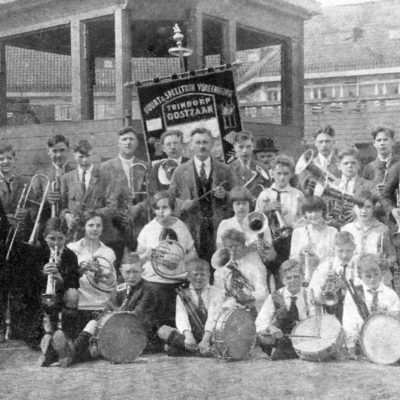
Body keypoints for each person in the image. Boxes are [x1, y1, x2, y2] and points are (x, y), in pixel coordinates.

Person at [49, 252, 163, 367]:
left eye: (135, 272)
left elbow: (136, 317)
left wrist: (112, 315)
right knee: (94, 327)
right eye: (128, 272)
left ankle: (63, 355)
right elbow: (107, 309)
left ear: (142, 271)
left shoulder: (148, 290)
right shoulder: (120, 288)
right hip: (121, 331)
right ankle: (66, 356)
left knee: (96, 347)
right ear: (121, 271)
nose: (132, 276)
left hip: (140, 335)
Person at [169, 127, 234, 263]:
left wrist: (226, 194)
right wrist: (182, 204)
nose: (201, 146)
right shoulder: (180, 171)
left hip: (218, 227)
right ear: (190, 145)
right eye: (197, 142)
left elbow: (237, 196)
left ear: (212, 144)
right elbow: (170, 199)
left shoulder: (225, 169)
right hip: (192, 228)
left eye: (205, 142)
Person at [136, 191, 196, 328]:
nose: (161, 212)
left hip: (176, 280)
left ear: (172, 208)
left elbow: (192, 254)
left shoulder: (180, 226)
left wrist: (178, 260)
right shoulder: (148, 228)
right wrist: (147, 256)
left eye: (165, 208)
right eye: (157, 208)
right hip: (154, 281)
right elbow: (137, 259)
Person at [0, 143, 34, 342]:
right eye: (1, 158)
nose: (5, 162)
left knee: (19, 284)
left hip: (19, 239)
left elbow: (34, 207)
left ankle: (18, 329)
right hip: (1, 240)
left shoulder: (25, 182)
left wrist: (26, 213)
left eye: (8, 158)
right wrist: (5, 219)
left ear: (14, 160)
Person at [35, 217, 80, 366]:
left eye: (60, 238)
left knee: (73, 294)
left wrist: (61, 279)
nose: (56, 243)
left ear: (66, 238)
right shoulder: (38, 253)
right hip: (42, 296)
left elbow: (75, 283)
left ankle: (65, 335)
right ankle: (48, 339)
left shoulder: (70, 255)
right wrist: (42, 272)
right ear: (44, 237)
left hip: (63, 295)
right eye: (51, 238)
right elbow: (29, 281)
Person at [67, 211, 117, 340]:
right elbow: (66, 279)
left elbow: (112, 283)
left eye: (98, 225)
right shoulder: (72, 249)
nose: (95, 229)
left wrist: (100, 273)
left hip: (101, 303)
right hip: (78, 304)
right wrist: (79, 271)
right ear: (83, 227)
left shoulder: (108, 252)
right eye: (91, 225)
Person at [157, 257, 223, 356]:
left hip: (211, 334)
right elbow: (181, 317)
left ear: (209, 275)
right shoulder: (182, 294)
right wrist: (188, 335)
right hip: (193, 335)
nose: (199, 278)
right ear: (188, 276)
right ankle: (203, 350)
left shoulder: (216, 293)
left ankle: (193, 349)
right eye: (195, 274)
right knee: (163, 330)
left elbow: (212, 317)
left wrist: (206, 339)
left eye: (203, 274)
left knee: (169, 348)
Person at [100, 126, 149, 257]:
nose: (128, 142)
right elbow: (101, 197)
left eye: (132, 139)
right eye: (124, 139)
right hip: (114, 227)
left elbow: (153, 194)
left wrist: (139, 207)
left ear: (137, 143)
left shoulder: (146, 166)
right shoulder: (106, 167)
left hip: (139, 224)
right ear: (118, 143)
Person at [255, 154, 304, 285]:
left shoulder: (298, 195)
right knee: (268, 279)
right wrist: (266, 210)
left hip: (289, 242)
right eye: (279, 173)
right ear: (272, 173)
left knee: (285, 277)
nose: (282, 177)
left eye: (286, 173)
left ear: (291, 174)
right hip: (269, 242)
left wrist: (291, 228)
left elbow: (303, 221)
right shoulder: (264, 195)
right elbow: (255, 222)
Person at [342, 253, 400, 358]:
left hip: (385, 345)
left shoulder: (391, 295)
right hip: (360, 345)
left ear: (382, 272)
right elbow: (348, 321)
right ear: (360, 276)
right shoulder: (354, 294)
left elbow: (396, 322)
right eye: (367, 276)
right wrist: (351, 347)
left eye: (376, 274)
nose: (372, 279)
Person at [256, 259, 315, 360]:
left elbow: (316, 321)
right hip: (281, 342)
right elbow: (260, 322)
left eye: (296, 276)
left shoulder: (309, 294)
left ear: (303, 277)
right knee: (265, 339)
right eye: (289, 278)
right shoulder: (274, 297)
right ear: (283, 280)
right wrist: (270, 328)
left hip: (305, 340)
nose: (293, 280)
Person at [60, 139, 117, 242]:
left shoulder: (106, 177)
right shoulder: (66, 178)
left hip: (100, 235)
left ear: (93, 155)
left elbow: (112, 207)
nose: (85, 160)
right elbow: (62, 206)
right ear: (74, 156)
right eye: (81, 157)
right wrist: (66, 215)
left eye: (88, 156)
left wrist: (93, 214)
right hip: (75, 236)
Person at [341, 190, 396, 287]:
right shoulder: (346, 229)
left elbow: (393, 256)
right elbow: (339, 257)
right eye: (360, 207)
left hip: (379, 281)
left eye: (368, 207)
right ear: (354, 208)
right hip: (355, 281)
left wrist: (386, 263)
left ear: (373, 208)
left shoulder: (383, 229)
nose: (363, 211)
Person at [309, 231, 360, 322]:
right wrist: (323, 285)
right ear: (333, 248)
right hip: (331, 315)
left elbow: (365, 294)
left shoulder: (360, 266)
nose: (344, 255)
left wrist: (347, 286)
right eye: (340, 251)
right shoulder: (324, 267)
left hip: (354, 314)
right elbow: (312, 296)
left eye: (348, 250)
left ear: (354, 248)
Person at [213, 229, 268, 313]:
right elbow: (218, 296)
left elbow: (263, 292)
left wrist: (248, 297)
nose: (233, 250)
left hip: (254, 308)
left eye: (237, 246)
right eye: (230, 247)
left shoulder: (253, 265)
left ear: (243, 246)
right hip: (230, 309)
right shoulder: (220, 271)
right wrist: (227, 290)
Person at [216, 186, 275, 263]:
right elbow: (221, 255)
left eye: (244, 203)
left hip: (257, 267)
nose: (241, 207)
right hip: (235, 268)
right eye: (237, 204)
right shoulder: (224, 224)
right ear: (232, 206)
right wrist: (249, 249)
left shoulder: (261, 223)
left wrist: (267, 253)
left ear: (249, 204)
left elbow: (272, 255)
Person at [290, 196, 337, 284]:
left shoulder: (333, 231)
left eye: (317, 211)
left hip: (325, 278)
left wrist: (318, 261)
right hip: (303, 279)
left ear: (323, 211)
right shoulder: (298, 232)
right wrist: (300, 255)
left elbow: (336, 259)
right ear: (305, 214)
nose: (313, 215)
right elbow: (293, 260)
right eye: (310, 212)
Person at [328, 147, 376, 228]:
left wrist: (358, 211)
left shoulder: (369, 185)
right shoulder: (332, 185)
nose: (350, 166)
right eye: (346, 163)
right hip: (336, 227)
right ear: (339, 166)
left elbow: (377, 206)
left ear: (359, 165)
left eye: (353, 163)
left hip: (361, 227)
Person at [32, 134, 74, 223]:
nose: (58, 155)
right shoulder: (41, 174)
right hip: (47, 224)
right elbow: (33, 202)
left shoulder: (76, 173)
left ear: (68, 150)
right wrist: (46, 199)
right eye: (54, 151)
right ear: (48, 152)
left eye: (62, 150)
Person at [298, 125, 341, 193]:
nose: (324, 145)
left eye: (327, 141)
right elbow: (302, 188)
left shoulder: (342, 163)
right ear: (315, 143)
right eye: (320, 142)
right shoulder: (307, 165)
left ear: (333, 142)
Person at [362, 126, 398, 196]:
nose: (382, 143)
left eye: (385, 140)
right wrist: (374, 191)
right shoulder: (368, 168)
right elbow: (363, 194)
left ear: (393, 142)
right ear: (374, 144)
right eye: (379, 140)